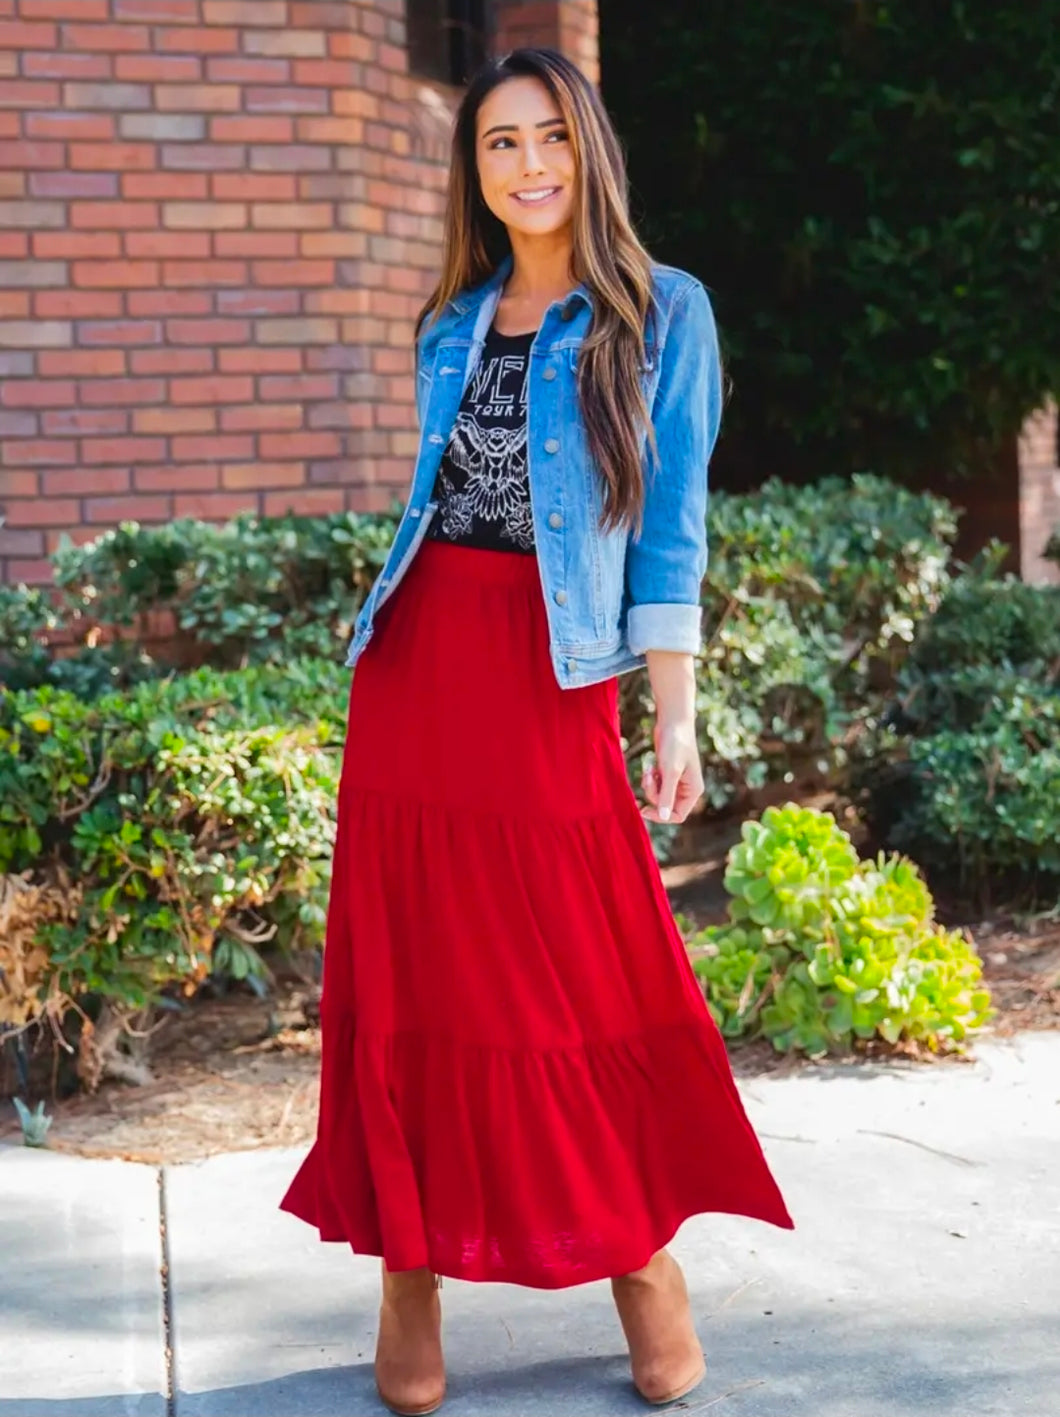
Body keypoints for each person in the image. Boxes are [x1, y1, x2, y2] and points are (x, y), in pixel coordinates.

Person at [280, 44, 794, 1417]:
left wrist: (674, 710)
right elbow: (432, 508)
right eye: (500, 142)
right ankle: (408, 1270)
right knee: (415, 970)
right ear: (476, 168)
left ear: (590, 151)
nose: (527, 165)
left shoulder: (664, 313)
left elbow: (672, 527)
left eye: (550, 137)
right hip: (418, 666)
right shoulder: (451, 321)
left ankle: (639, 1256)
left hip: (548, 675)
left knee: (572, 964)